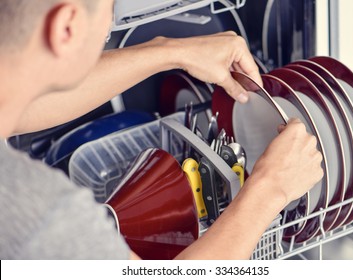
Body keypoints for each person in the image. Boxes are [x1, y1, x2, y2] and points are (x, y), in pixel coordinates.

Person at [0, 0, 323, 260]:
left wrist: (170, 51)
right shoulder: (40, 214)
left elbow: (30, 105)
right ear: (67, 26)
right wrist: (270, 189)